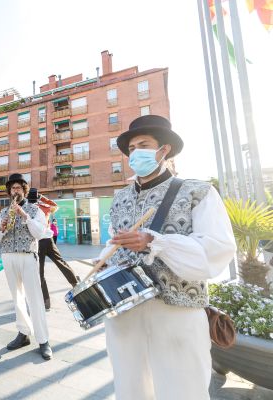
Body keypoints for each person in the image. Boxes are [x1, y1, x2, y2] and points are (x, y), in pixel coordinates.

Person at [100, 115, 236, 400]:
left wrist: (155, 242)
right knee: (130, 387)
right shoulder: (119, 197)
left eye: (144, 144)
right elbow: (113, 243)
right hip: (124, 313)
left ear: (164, 150)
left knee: (183, 389)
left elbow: (217, 250)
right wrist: (103, 261)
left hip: (176, 313)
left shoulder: (198, 191)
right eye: (132, 147)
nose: (136, 152)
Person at [0, 174, 52, 360]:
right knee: (17, 298)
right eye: (13, 189)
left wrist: (25, 216)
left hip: (28, 255)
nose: (15, 191)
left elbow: (40, 233)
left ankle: (43, 340)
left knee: (35, 299)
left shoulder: (35, 210)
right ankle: (23, 333)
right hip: (8, 256)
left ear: (24, 190)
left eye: (19, 188)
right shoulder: (4, 212)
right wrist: (1, 228)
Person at [27, 188, 79, 311]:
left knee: (39, 272)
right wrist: (42, 197)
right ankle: (75, 283)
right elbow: (55, 206)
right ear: (37, 197)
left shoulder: (28, 209)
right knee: (61, 262)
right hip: (49, 240)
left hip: (38, 242)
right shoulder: (43, 206)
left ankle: (46, 302)